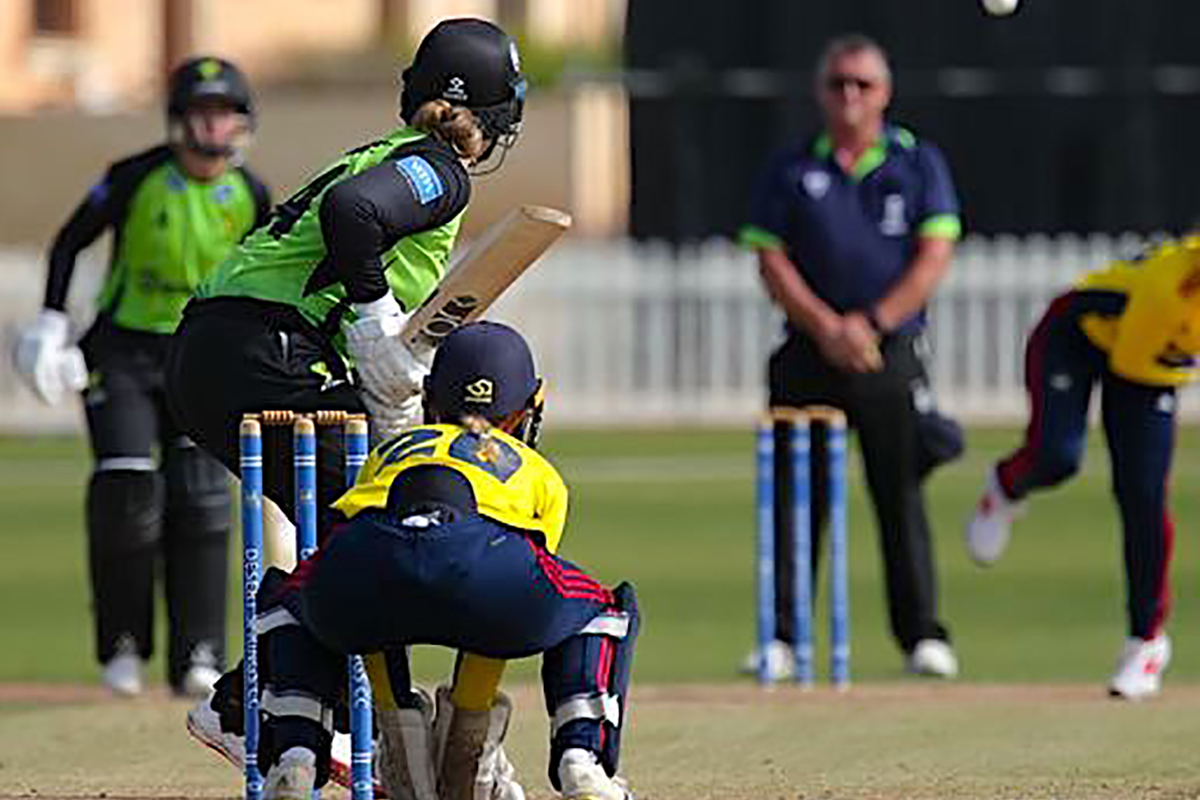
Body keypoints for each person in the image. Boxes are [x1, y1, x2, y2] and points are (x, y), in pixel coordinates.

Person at [193, 322, 639, 800]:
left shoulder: (390, 451)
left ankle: (296, 756)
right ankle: (581, 763)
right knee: (602, 608)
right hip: (488, 574)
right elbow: (507, 594)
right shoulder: (537, 472)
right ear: (528, 408)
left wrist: (394, 718)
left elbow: (370, 562)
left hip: (365, 564)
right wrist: (470, 720)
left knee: (289, 599)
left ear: (431, 398)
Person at [166, 17, 526, 543]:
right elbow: (351, 209)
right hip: (267, 352)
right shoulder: (440, 170)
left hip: (208, 352)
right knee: (392, 523)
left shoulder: (386, 154)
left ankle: (303, 594)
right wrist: (375, 319)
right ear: (490, 115)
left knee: (351, 533)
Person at [12, 56, 270, 698]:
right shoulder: (136, 177)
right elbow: (70, 241)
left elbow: (270, 273)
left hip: (202, 359)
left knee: (202, 499)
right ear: (179, 120)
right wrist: (50, 323)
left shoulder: (252, 194)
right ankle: (122, 647)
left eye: (225, 115)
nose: (213, 128)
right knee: (126, 492)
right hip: (124, 353)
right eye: (202, 115)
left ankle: (199, 653)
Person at [738, 34, 962, 679]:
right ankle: (783, 638)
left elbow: (934, 256)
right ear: (821, 91)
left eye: (863, 84)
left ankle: (922, 635)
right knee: (795, 499)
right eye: (838, 83)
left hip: (887, 353)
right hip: (809, 350)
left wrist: (870, 324)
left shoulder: (916, 163)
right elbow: (770, 257)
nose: (850, 96)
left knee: (899, 495)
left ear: (884, 93)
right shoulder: (790, 166)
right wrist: (829, 327)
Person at [966, 235, 1200, 699]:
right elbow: (1133, 368)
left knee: (1144, 496)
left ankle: (1146, 642)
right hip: (1077, 336)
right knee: (1056, 457)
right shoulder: (1167, 291)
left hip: (1147, 353)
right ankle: (1005, 486)